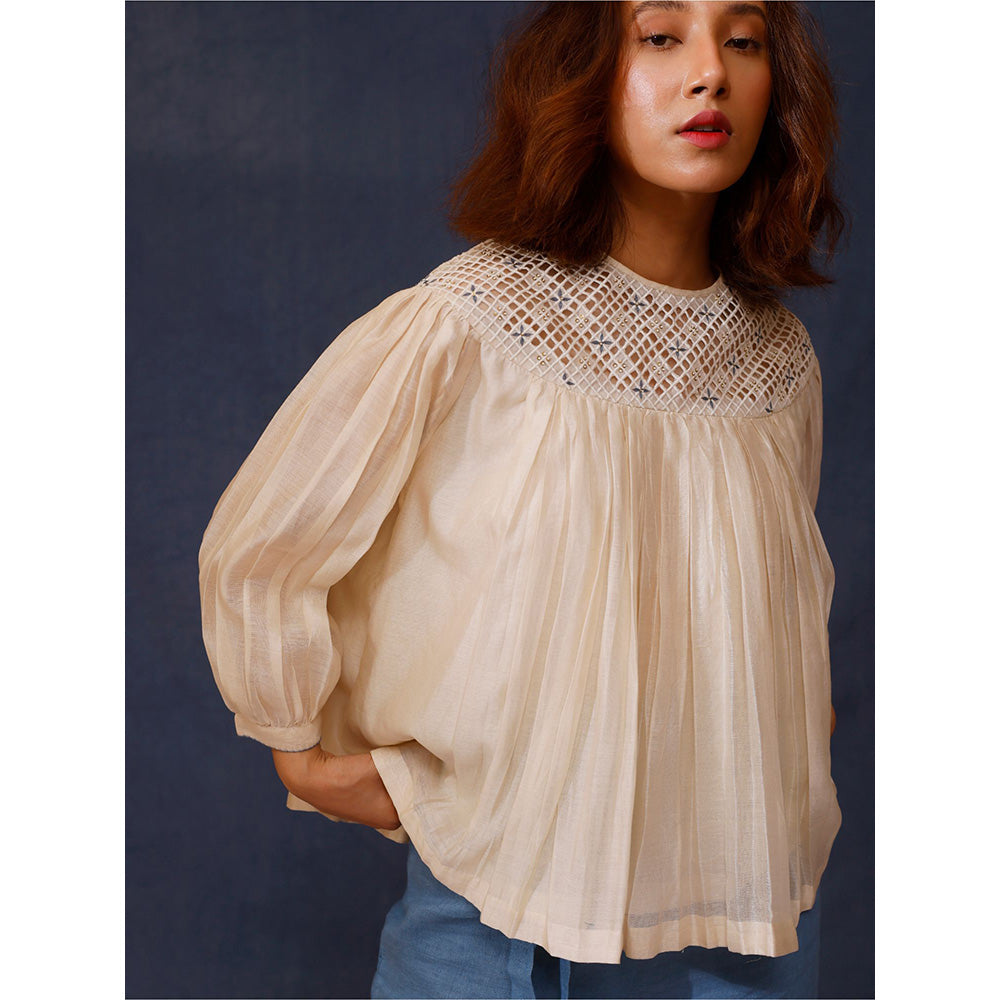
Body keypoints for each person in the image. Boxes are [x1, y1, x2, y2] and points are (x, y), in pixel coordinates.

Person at [198, 1, 846, 997]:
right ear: (586, 71)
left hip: (745, 911)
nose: (710, 73)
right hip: (498, 908)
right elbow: (270, 538)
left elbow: (776, 597)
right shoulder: (472, 321)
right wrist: (295, 741)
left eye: (744, 40)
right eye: (661, 36)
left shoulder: (777, 361)